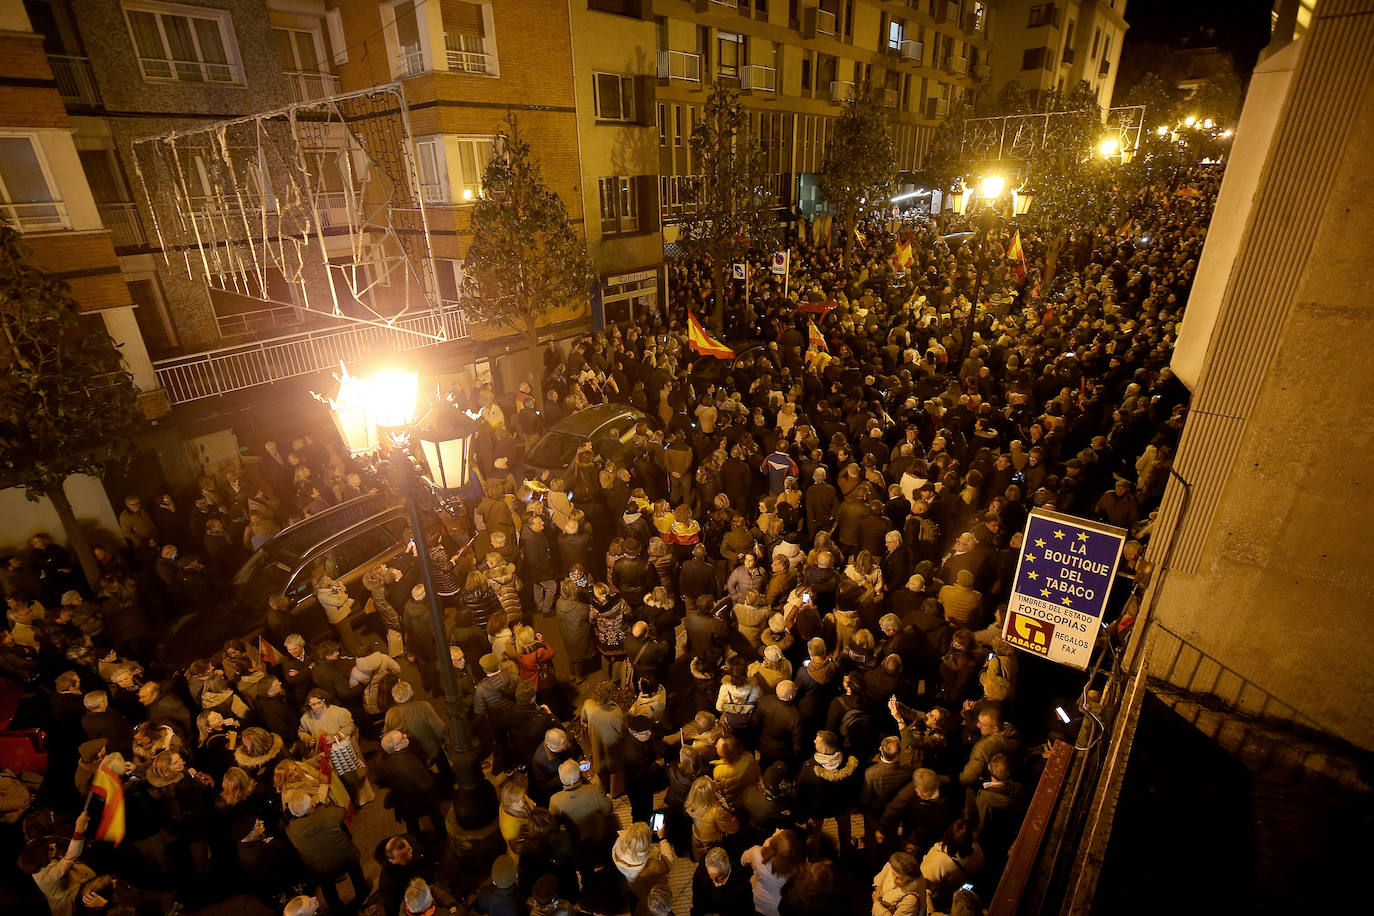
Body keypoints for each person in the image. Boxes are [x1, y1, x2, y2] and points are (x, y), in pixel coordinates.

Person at [282, 790, 370, 912]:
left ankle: (337, 908)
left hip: (321, 868)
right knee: (356, 872)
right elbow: (343, 811)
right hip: (345, 856)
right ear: (311, 804)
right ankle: (362, 892)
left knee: (327, 886)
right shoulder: (328, 813)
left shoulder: (290, 830)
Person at [739, 828, 802, 916]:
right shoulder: (797, 872)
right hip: (777, 909)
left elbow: (742, 860)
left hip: (756, 900)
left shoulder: (756, 853)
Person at [690, 845, 752, 916]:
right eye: (711, 876)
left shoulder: (742, 880)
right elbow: (697, 901)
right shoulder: (700, 874)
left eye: (719, 876)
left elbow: (746, 909)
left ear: (727, 868)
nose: (714, 881)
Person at [871, 850, 927, 916]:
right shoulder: (894, 866)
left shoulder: (911, 899)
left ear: (909, 879)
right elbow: (881, 876)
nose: (894, 879)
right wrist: (878, 889)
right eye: (893, 874)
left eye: (898, 878)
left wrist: (877, 903)